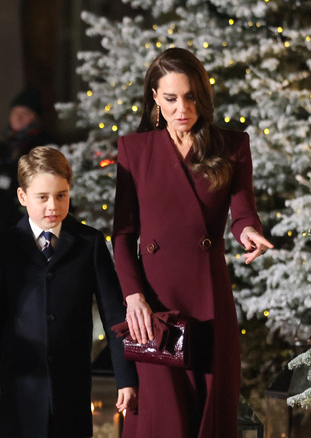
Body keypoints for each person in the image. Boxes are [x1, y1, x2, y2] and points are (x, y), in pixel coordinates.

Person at [113, 48, 273, 438]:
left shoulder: (232, 145)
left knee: (209, 415)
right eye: (170, 98)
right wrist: (134, 297)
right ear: (154, 97)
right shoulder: (134, 150)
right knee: (163, 419)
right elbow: (122, 236)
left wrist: (248, 232)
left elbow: (243, 212)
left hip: (208, 300)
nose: (182, 108)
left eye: (190, 96)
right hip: (154, 308)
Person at [0, 146, 138, 437]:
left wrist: (126, 379)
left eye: (61, 195)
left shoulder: (90, 243)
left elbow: (115, 316)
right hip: (20, 387)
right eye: (42, 197)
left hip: (71, 387)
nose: (53, 206)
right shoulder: (5, 246)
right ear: (23, 197)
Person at [0, 87, 55, 285]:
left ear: (35, 117)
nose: (18, 117)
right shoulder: (4, 148)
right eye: (15, 112)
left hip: (25, 233)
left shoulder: (44, 147)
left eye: (24, 113)